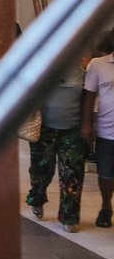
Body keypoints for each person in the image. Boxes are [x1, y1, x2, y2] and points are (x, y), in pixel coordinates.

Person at [28, 54, 88, 232]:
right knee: (42, 171)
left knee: (73, 173)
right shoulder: (42, 66)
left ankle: (69, 216)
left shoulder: (82, 69)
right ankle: (37, 198)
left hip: (73, 130)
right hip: (45, 129)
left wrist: (86, 125)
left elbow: (87, 98)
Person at [83, 41, 114, 228]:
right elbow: (89, 96)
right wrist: (87, 124)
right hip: (107, 129)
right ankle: (106, 206)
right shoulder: (98, 64)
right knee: (106, 173)